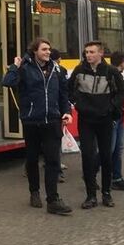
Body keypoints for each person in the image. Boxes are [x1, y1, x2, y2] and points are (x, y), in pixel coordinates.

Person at [3, 38, 73, 215]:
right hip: (32, 121)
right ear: (35, 51)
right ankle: (34, 192)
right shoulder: (25, 68)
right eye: (44, 49)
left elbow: (63, 94)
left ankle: (53, 200)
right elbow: (8, 82)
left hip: (53, 121)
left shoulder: (57, 69)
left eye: (49, 49)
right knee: (32, 159)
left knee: (53, 160)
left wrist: (66, 112)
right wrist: (15, 66)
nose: (48, 52)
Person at [68, 41, 122, 208]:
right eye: (87, 52)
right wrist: (77, 104)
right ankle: (90, 195)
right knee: (87, 156)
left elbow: (122, 92)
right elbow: (68, 89)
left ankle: (106, 193)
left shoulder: (111, 71)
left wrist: (111, 107)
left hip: (105, 120)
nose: (88, 55)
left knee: (106, 156)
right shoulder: (79, 70)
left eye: (92, 52)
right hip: (86, 120)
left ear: (101, 53)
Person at [109, 51, 124, 191]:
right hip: (114, 117)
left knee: (117, 149)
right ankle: (91, 171)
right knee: (110, 149)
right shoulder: (112, 75)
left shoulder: (115, 74)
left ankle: (117, 178)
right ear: (123, 63)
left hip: (119, 116)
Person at [50, 48, 69, 183]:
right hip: (55, 111)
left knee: (53, 141)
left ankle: (56, 170)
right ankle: (57, 171)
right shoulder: (62, 70)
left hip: (54, 111)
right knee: (55, 141)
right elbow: (65, 92)